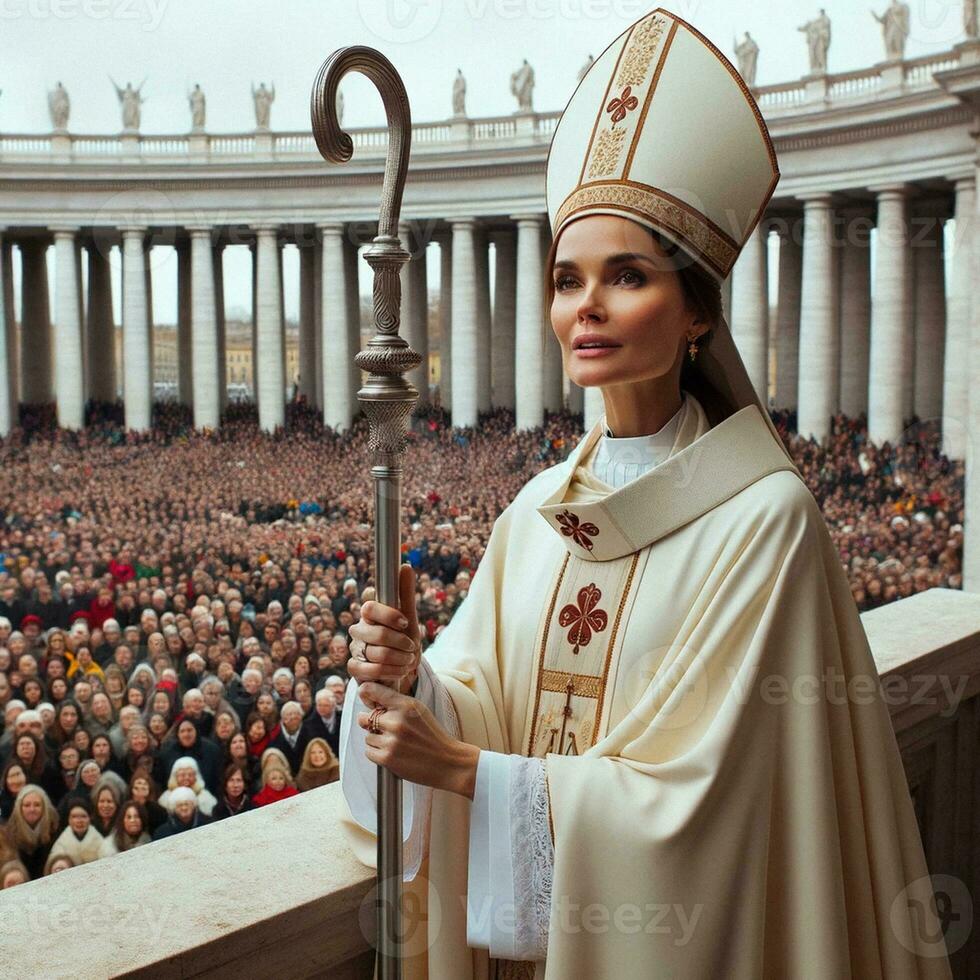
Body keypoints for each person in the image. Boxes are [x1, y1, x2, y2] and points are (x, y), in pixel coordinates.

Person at [337, 9, 952, 979]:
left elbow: (710, 811)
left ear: (698, 312)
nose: (584, 304)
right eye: (565, 278)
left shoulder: (765, 520)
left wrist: (460, 771)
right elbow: (483, 703)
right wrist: (413, 684)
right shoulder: (534, 516)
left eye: (625, 275)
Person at [49, 799, 103, 865]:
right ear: (69, 820)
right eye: (74, 816)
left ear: (90, 819)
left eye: (83, 816)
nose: (79, 821)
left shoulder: (99, 841)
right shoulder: (61, 843)